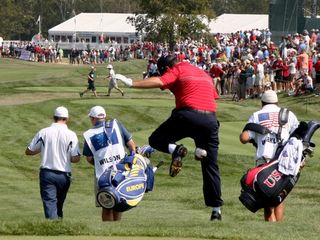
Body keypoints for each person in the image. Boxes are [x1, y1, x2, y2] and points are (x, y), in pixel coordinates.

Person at [119, 54, 223, 221]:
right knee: (211, 165)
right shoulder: (202, 73)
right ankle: (216, 211)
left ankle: (177, 149)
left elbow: (160, 81)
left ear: (167, 68)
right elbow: (213, 97)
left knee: (156, 139)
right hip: (210, 120)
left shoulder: (177, 69)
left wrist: (132, 83)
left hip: (187, 114)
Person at [239, 90, 299, 222]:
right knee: (279, 196)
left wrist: (248, 136)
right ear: (277, 102)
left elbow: (244, 138)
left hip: (264, 162)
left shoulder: (257, 115)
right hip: (284, 161)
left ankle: (272, 228)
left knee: (267, 198)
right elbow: (298, 137)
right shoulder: (288, 114)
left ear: (262, 102)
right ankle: (278, 228)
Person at [25, 106, 81, 220]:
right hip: (64, 175)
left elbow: (29, 151)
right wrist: (67, 157)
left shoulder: (43, 132)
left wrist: (43, 149)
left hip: (47, 174)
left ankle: (53, 229)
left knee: (50, 203)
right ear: (67, 119)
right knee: (58, 204)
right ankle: (57, 229)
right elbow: (76, 158)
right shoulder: (71, 134)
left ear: (53, 117)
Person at [82, 106, 136, 221]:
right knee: (119, 203)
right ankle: (115, 230)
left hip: (103, 175)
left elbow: (89, 158)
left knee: (107, 204)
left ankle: (108, 232)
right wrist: (131, 161)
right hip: (122, 172)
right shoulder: (116, 124)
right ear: (105, 117)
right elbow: (132, 145)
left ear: (92, 119)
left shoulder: (88, 134)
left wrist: (99, 163)